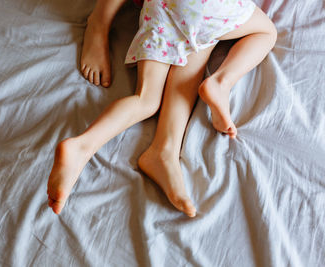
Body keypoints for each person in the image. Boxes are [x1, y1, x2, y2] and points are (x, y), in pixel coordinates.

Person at [48, 0, 277, 217]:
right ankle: (221, 83)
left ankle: (85, 146)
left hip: (162, 9)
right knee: (265, 32)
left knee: (146, 99)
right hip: (206, 11)